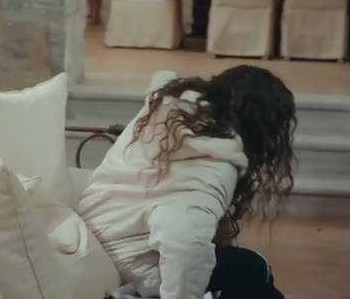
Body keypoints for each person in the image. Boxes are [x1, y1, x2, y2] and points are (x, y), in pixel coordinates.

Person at [78, 65, 296, 299]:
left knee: (251, 269)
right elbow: (185, 240)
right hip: (137, 265)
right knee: (254, 272)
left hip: (101, 228)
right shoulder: (213, 167)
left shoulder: (166, 113)